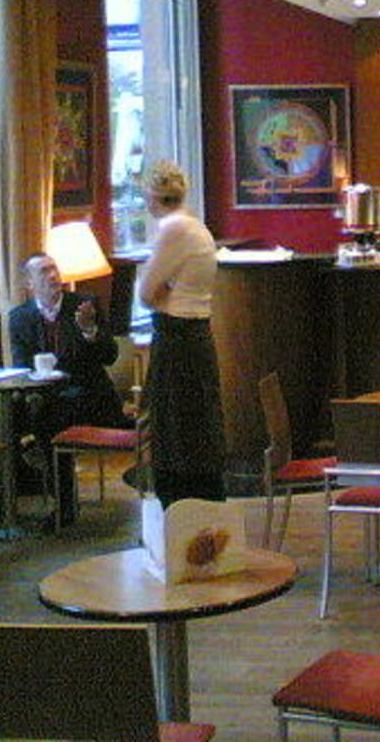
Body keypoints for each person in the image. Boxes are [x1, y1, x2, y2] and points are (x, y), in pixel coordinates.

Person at [8, 251, 128, 521]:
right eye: (43, 272)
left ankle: (64, 505)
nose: (53, 275)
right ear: (29, 283)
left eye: (54, 269)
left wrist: (89, 331)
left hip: (91, 397)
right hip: (46, 396)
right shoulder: (19, 317)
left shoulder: (84, 306)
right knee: (6, 418)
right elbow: (21, 366)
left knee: (48, 419)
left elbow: (110, 356)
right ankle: (5, 501)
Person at [136, 160, 226, 507]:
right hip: (196, 336)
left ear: (152, 195)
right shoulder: (197, 227)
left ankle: (182, 511)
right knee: (198, 426)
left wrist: (164, 295)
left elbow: (146, 294)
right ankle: (202, 509)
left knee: (177, 433)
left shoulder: (173, 229)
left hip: (177, 339)